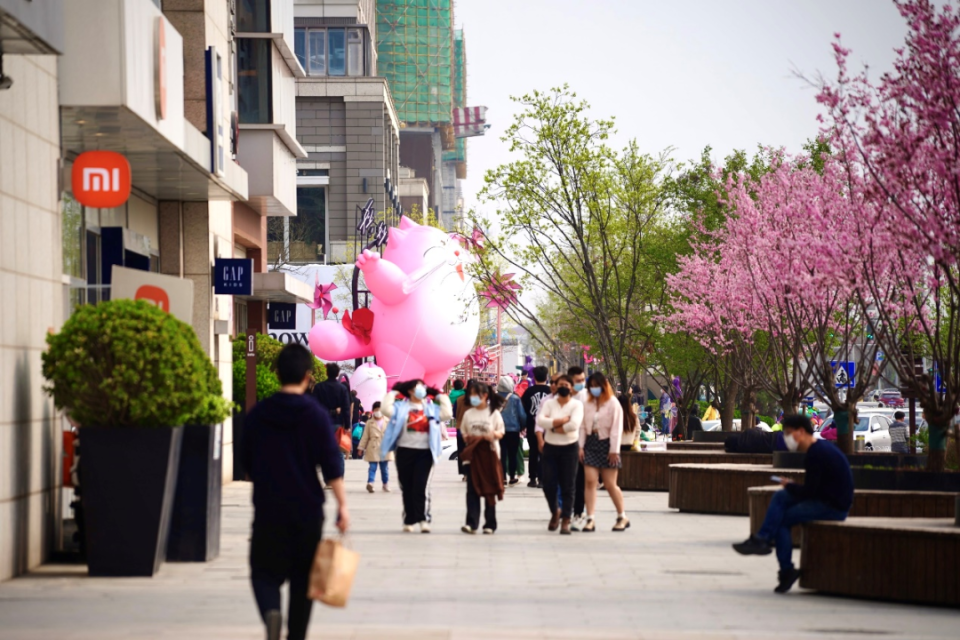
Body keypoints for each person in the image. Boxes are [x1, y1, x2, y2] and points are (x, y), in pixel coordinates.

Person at [242, 344, 349, 640]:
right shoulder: (314, 414)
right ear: (306, 376)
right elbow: (331, 464)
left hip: (268, 507)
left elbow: (245, 461)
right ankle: (296, 635)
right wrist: (343, 506)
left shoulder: (258, 414)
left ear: (277, 373)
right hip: (307, 511)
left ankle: (270, 613)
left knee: (263, 573)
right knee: (303, 580)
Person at [733, 414, 853, 593]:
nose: (786, 438)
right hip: (825, 498)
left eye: (788, 433)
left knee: (783, 520)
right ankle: (762, 539)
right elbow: (813, 489)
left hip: (833, 506)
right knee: (781, 497)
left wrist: (790, 485)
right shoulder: (819, 449)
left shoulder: (816, 454)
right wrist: (790, 486)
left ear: (801, 432)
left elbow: (810, 492)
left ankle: (785, 569)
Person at [381, 379, 452, 533]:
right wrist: (394, 392)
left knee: (421, 486)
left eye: (423, 387)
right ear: (410, 391)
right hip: (404, 451)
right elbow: (385, 409)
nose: (421, 389)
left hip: (425, 452)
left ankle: (423, 519)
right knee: (406, 487)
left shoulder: (431, 409)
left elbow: (447, 413)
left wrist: (438, 395)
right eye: (417, 387)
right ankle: (409, 519)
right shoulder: (401, 407)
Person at [580, 372, 629, 532]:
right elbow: (582, 426)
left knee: (609, 484)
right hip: (590, 443)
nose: (594, 389)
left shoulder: (613, 403)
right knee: (590, 481)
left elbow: (617, 428)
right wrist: (580, 446)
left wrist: (614, 450)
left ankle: (622, 516)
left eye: (597, 385)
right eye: (591, 386)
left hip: (608, 444)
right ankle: (590, 518)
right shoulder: (587, 403)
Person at [537, 374, 584, 534]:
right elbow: (541, 421)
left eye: (566, 384)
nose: (563, 386)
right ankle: (555, 511)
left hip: (570, 448)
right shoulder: (549, 403)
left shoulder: (576, 405)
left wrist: (553, 427)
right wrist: (561, 420)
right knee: (548, 484)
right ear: (555, 386)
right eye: (560, 384)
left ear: (571, 388)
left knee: (568, 485)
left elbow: (574, 424)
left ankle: (565, 519)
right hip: (550, 447)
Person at [459, 381, 506, 534]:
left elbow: (501, 433)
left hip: (490, 455)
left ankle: (490, 524)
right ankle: (471, 523)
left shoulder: (494, 413)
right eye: (470, 394)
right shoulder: (468, 414)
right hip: (472, 457)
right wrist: (470, 438)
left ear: (485, 396)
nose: (472, 397)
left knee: (489, 490)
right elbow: (464, 433)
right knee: (472, 490)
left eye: (475, 394)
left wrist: (490, 435)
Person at [521, 366, 551, 488]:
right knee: (546, 453)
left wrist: (523, 425)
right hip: (548, 427)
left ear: (534, 378)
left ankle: (532, 478)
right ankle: (543, 478)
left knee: (533, 451)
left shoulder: (528, 391)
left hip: (532, 425)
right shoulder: (550, 391)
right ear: (547, 377)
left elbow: (523, 409)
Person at [568, 366, 588, 530]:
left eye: (583, 380)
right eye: (578, 381)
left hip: (582, 445)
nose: (581, 383)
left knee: (580, 480)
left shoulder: (586, 397)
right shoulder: (561, 397)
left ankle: (579, 512)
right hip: (563, 443)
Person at [497, 375, 527, 486]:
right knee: (512, 454)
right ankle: (513, 477)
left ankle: (503, 477)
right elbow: (522, 415)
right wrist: (522, 427)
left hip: (498, 430)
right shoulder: (515, 398)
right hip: (513, 430)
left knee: (501, 454)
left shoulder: (494, 398)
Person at [358, 401, 392, 493]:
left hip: (384, 448)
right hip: (373, 447)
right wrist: (361, 448)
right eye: (376, 410)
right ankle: (370, 483)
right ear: (373, 411)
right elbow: (365, 436)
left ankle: (385, 484)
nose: (378, 411)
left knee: (384, 468)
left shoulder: (388, 421)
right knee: (372, 467)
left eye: (379, 410)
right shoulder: (369, 422)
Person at [312, 363, 351, 432]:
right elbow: (346, 408)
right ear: (338, 374)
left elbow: (314, 405)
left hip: (322, 421)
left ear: (326, 373)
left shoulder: (318, 387)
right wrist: (347, 425)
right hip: (337, 422)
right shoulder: (343, 389)